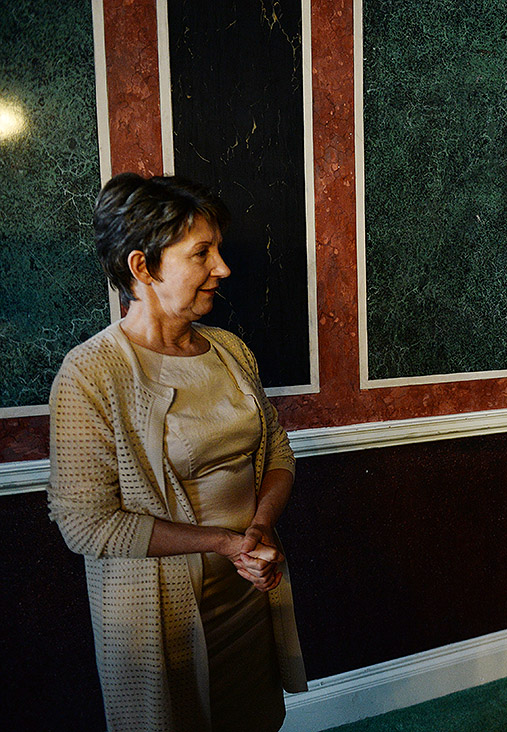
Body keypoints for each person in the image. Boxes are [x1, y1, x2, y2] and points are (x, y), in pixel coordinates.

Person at [47, 173, 307, 731]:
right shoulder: (90, 373)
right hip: (161, 621)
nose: (223, 268)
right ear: (143, 268)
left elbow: (278, 454)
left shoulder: (231, 350)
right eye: (202, 253)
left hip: (249, 593)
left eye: (219, 250)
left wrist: (258, 528)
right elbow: (87, 525)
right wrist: (223, 542)